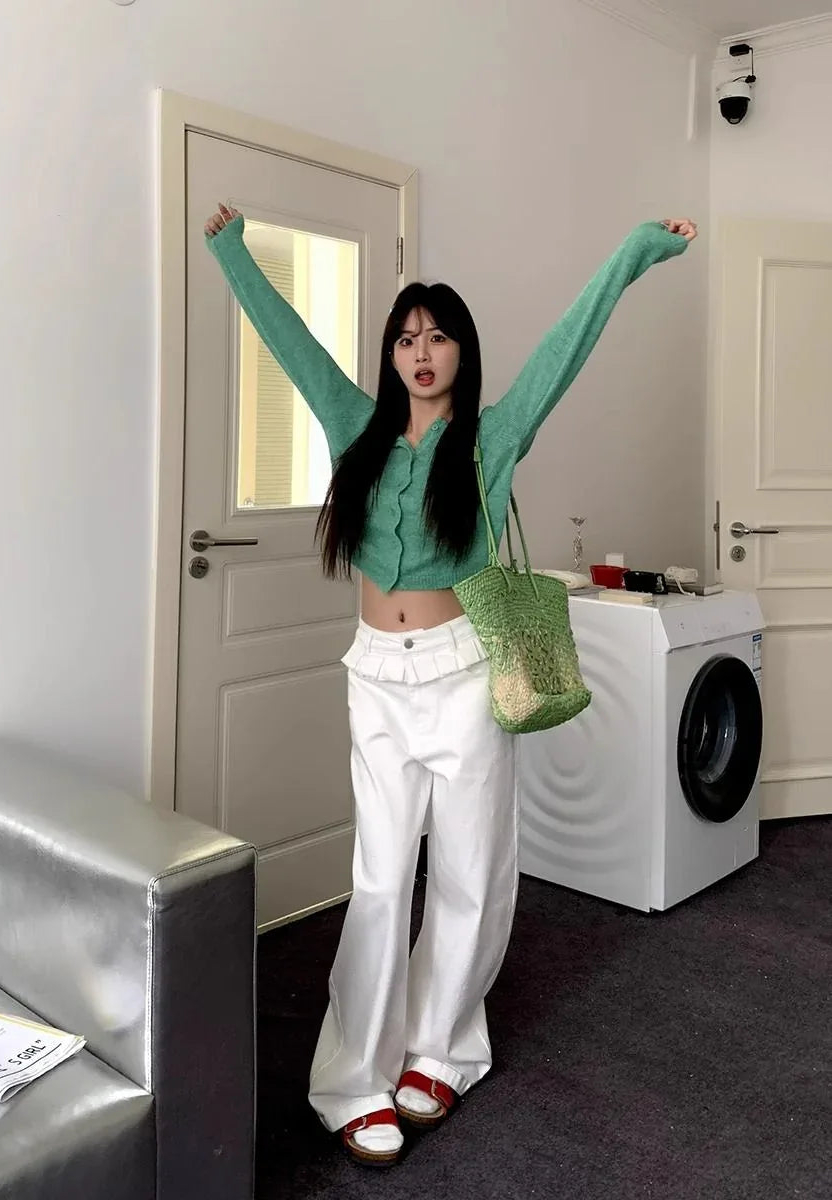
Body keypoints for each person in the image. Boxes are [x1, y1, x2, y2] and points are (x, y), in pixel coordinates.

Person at [204, 203, 697, 1166]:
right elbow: (289, 341)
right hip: (378, 679)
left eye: (437, 337)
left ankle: (441, 1051)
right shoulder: (355, 426)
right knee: (382, 878)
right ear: (391, 354)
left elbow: (566, 346)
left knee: (470, 869)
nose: (420, 353)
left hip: (467, 672)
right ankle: (353, 1077)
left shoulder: (492, 438)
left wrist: (636, 251)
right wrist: (232, 251)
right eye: (406, 338)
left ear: (462, 351)